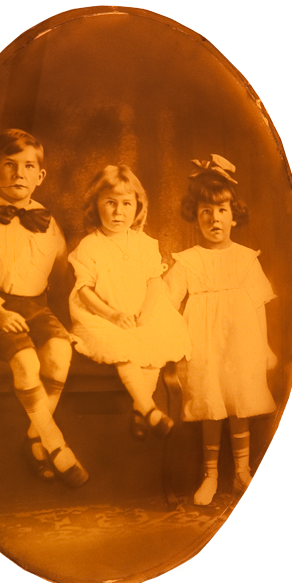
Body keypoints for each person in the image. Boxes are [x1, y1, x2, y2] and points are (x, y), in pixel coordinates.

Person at [0, 128, 87, 486]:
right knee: (28, 362)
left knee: (60, 354)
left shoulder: (46, 219)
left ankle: (34, 436)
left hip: (36, 307)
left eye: (28, 166)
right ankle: (55, 443)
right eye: (9, 164)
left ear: (40, 175)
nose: (19, 173)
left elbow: (63, 273)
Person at [165, 154, 278, 505]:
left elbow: (258, 305)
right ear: (195, 216)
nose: (214, 219)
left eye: (222, 211)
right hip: (203, 341)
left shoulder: (246, 258)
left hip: (240, 339)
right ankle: (210, 475)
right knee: (211, 402)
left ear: (234, 215)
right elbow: (166, 301)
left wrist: (266, 348)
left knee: (238, 401)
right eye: (205, 212)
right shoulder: (188, 260)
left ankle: (242, 472)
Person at [68, 165, 191, 441]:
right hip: (101, 312)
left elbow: (154, 280)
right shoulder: (90, 245)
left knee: (155, 343)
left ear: (138, 206)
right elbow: (84, 289)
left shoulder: (144, 244)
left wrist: (146, 313)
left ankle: (139, 409)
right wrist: (112, 315)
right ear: (96, 205)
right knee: (121, 347)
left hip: (142, 309)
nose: (118, 212)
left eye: (126, 203)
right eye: (110, 203)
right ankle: (149, 409)